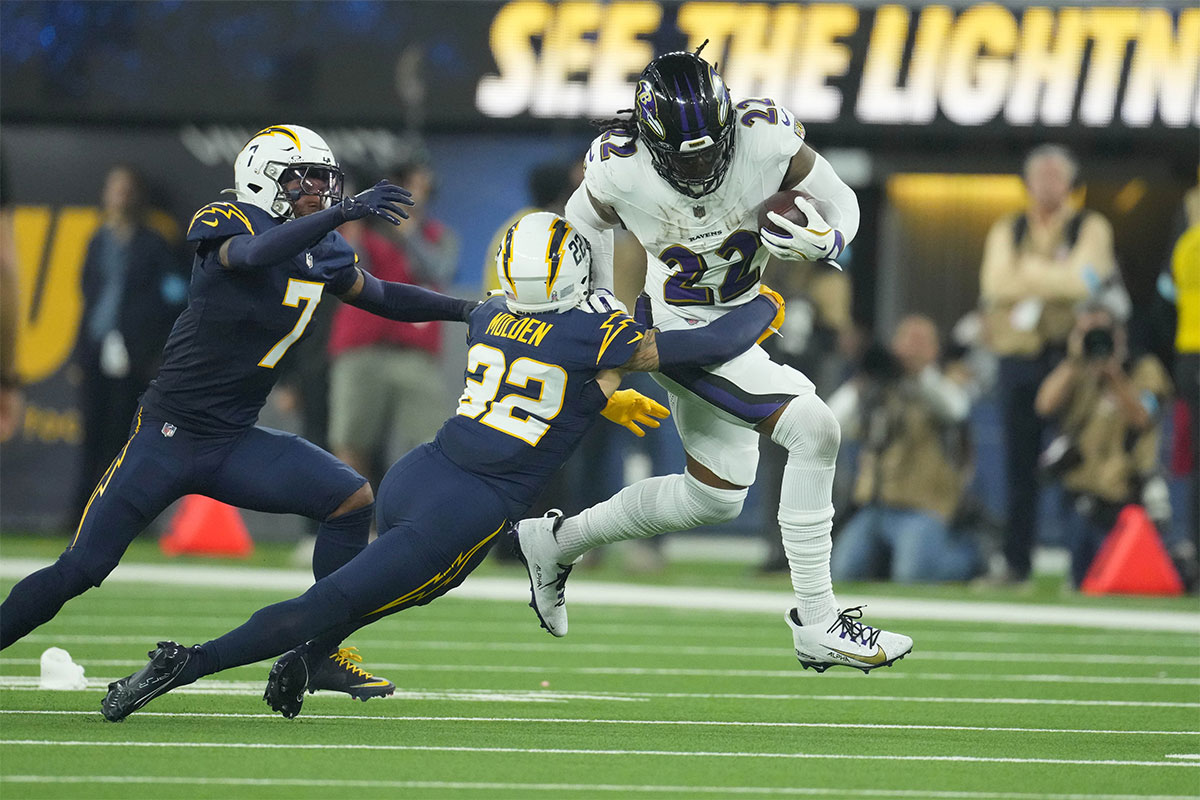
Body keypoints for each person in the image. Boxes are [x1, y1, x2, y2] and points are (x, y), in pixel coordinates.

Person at [99, 210, 784, 721]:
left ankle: (309, 656)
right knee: (341, 598)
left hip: (421, 473)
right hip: (471, 503)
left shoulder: (489, 313)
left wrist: (603, 397)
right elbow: (707, 343)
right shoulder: (595, 332)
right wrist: (760, 310)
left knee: (378, 588)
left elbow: (547, 371)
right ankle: (190, 663)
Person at [0, 125, 476, 704]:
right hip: (169, 434)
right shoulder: (229, 218)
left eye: (323, 180)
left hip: (232, 439)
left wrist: (469, 310)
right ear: (259, 178)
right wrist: (336, 215)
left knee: (351, 499)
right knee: (82, 569)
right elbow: (251, 255)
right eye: (300, 178)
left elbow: (378, 294)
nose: (315, 190)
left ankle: (318, 653)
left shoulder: (322, 244)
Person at [513, 47, 912, 673]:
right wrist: (600, 330)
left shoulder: (764, 135)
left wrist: (829, 238)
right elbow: (581, 232)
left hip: (741, 323)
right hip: (679, 331)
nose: (701, 164)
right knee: (815, 428)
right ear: (650, 140)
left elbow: (842, 202)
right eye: (685, 154)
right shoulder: (619, 171)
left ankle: (555, 541)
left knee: (714, 497)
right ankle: (819, 619)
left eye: (709, 148)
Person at [978, 144, 1118, 584]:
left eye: (1057, 177)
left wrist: (1028, 276)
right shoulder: (1009, 226)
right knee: (1019, 466)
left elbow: (1085, 281)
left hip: (1069, 357)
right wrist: (1051, 279)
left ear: (1070, 183)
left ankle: (1084, 562)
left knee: (1078, 458)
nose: (1048, 186)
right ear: (1027, 182)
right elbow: (995, 284)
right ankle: (1016, 562)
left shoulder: (1089, 226)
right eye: (1040, 177)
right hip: (1017, 356)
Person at [327, 162, 459, 487]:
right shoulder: (363, 232)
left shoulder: (437, 235)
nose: (414, 193)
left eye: (419, 186)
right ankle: (355, 524)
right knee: (351, 441)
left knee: (432, 438)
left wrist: (408, 230)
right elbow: (348, 269)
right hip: (361, 349)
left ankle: (423, 522)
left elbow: (437, 270)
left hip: (413, 353)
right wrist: (354, 222)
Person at [827, 316, 981, 583]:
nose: (911, 349)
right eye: (906, 340)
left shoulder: (944, 382)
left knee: (912, 576)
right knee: (842, 572)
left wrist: (919, 373)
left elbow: (956, 409)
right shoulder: (879, 387)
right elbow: (830, 421)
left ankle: (970, 558)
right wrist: (865, 377)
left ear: (935, 349)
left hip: (924, 507)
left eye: (920, 342)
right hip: (875, 505)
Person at [74, 165, 188, 516]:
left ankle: (118, 513)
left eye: (125, 188)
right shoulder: (98, 240)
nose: (119, 195)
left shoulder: (153, 243)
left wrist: (149, 343)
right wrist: (79, 353)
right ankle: (80, 512)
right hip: (97, 345)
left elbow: (173, 295)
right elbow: (88, 297)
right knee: (91, 435)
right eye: (114, 188)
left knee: (122, 437)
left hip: (133, 352)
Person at [1035, 301, 1171, 588]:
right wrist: (1074, 359)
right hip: (1081, 490)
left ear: (1120, 332)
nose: (1098, 338)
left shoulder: (1144, 368)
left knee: (1119, 583)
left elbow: (1143, 417)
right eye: (1089, 331)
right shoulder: (1077, 370)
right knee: (1082, 580)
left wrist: (1114, 374)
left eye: (1103, 330)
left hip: (1125, 495)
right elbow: (1044, 404)